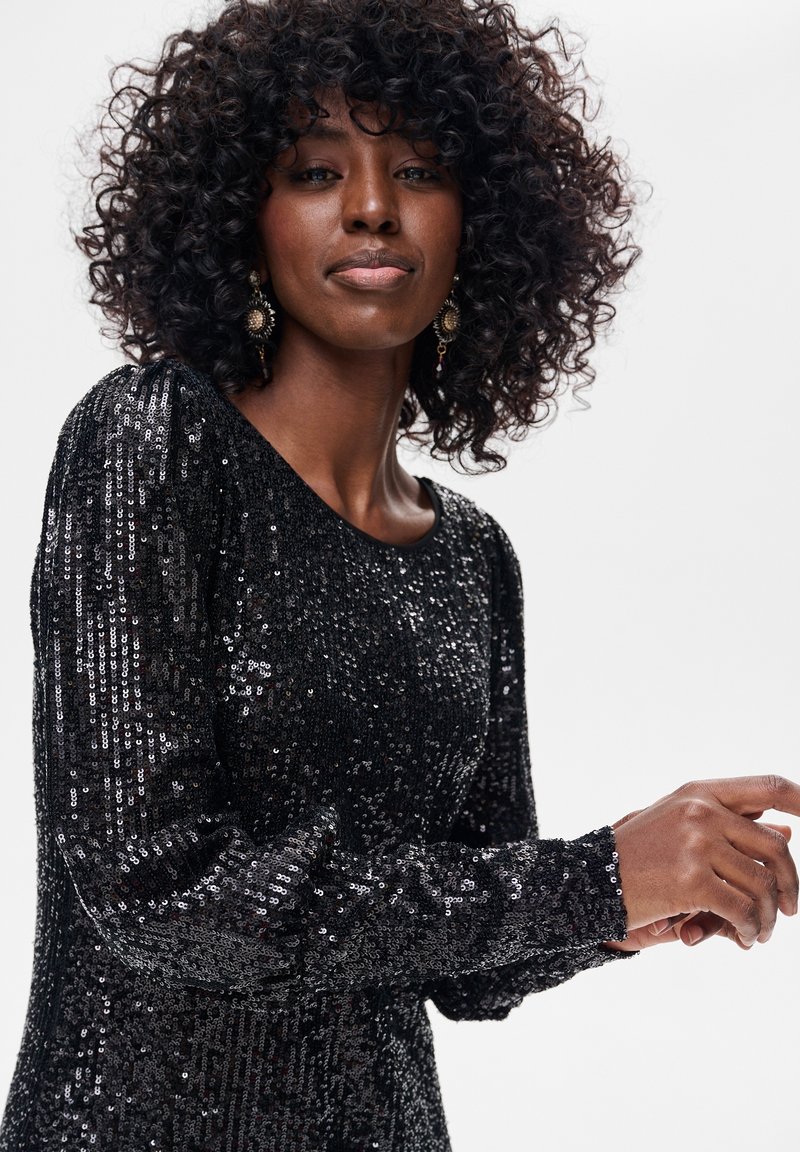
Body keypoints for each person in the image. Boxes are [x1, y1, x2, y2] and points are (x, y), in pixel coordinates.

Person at [1, 0, 798, 1148]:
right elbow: (158, 889)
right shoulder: (151, 441)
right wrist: (592, 880)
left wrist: (632, 900)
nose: (372, 205)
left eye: (417, 169)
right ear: (243, 219)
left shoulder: (470, 557)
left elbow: (466, 964)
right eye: (315, 171)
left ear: (483, 221)